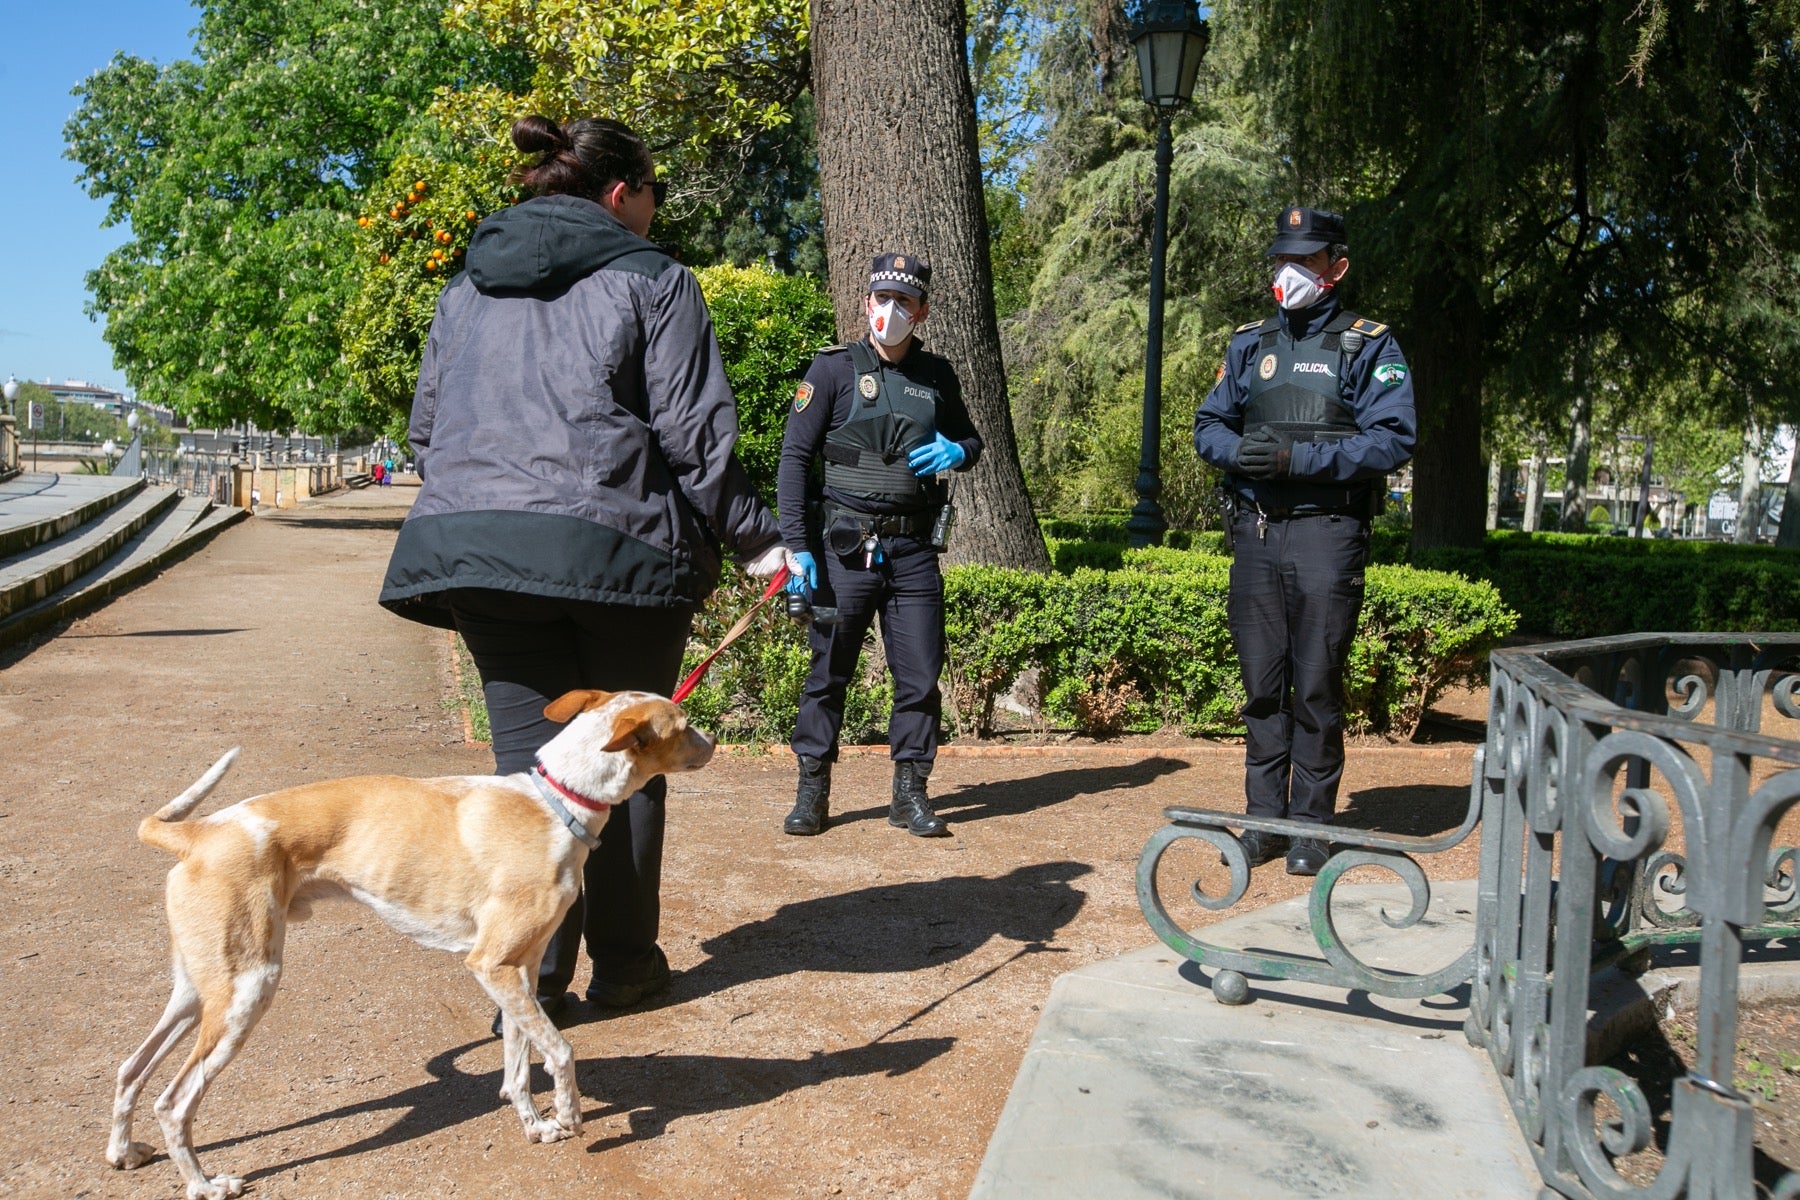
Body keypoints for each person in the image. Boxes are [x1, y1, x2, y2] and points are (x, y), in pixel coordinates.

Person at [379, 114, 789, 1022]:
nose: (654, 211)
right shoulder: (656, 281)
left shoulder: (465, 290)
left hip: (479, 549)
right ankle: (628, 969)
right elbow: (696, 438)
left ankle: (533, 979)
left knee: (530, 773)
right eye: (652, 193)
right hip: (623, 551)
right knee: (630, 763)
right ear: (619, 194)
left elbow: (424, 432)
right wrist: (760, 539)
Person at [1192, 206, 1417, 876]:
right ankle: (1264, 820)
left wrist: (1299, 462)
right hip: (1257, 533)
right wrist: (1240, 453)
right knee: (1262, 684)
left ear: (1335, 267)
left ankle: (1313, 827)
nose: (1287, 273)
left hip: (1328, 531)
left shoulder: (1368, 344)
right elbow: (1208, 425)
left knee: (1316, 685)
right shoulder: (1249, 344)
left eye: (1304, 260)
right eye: (1280, 260)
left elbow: (1393, 438)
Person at [776, 253, 983, 838]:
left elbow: (971, 438)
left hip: (913, 550)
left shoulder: (937, 375)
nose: (889, 311)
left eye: (903, 302)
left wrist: (957, 453)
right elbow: (794, 458)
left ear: (922, 311)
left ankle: (909, 794)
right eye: (880, 299)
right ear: (867, 302)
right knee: (828, 673)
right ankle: (812, 792)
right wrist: (798, 546)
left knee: (919, 675)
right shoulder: (834, 370)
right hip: (844, 548)